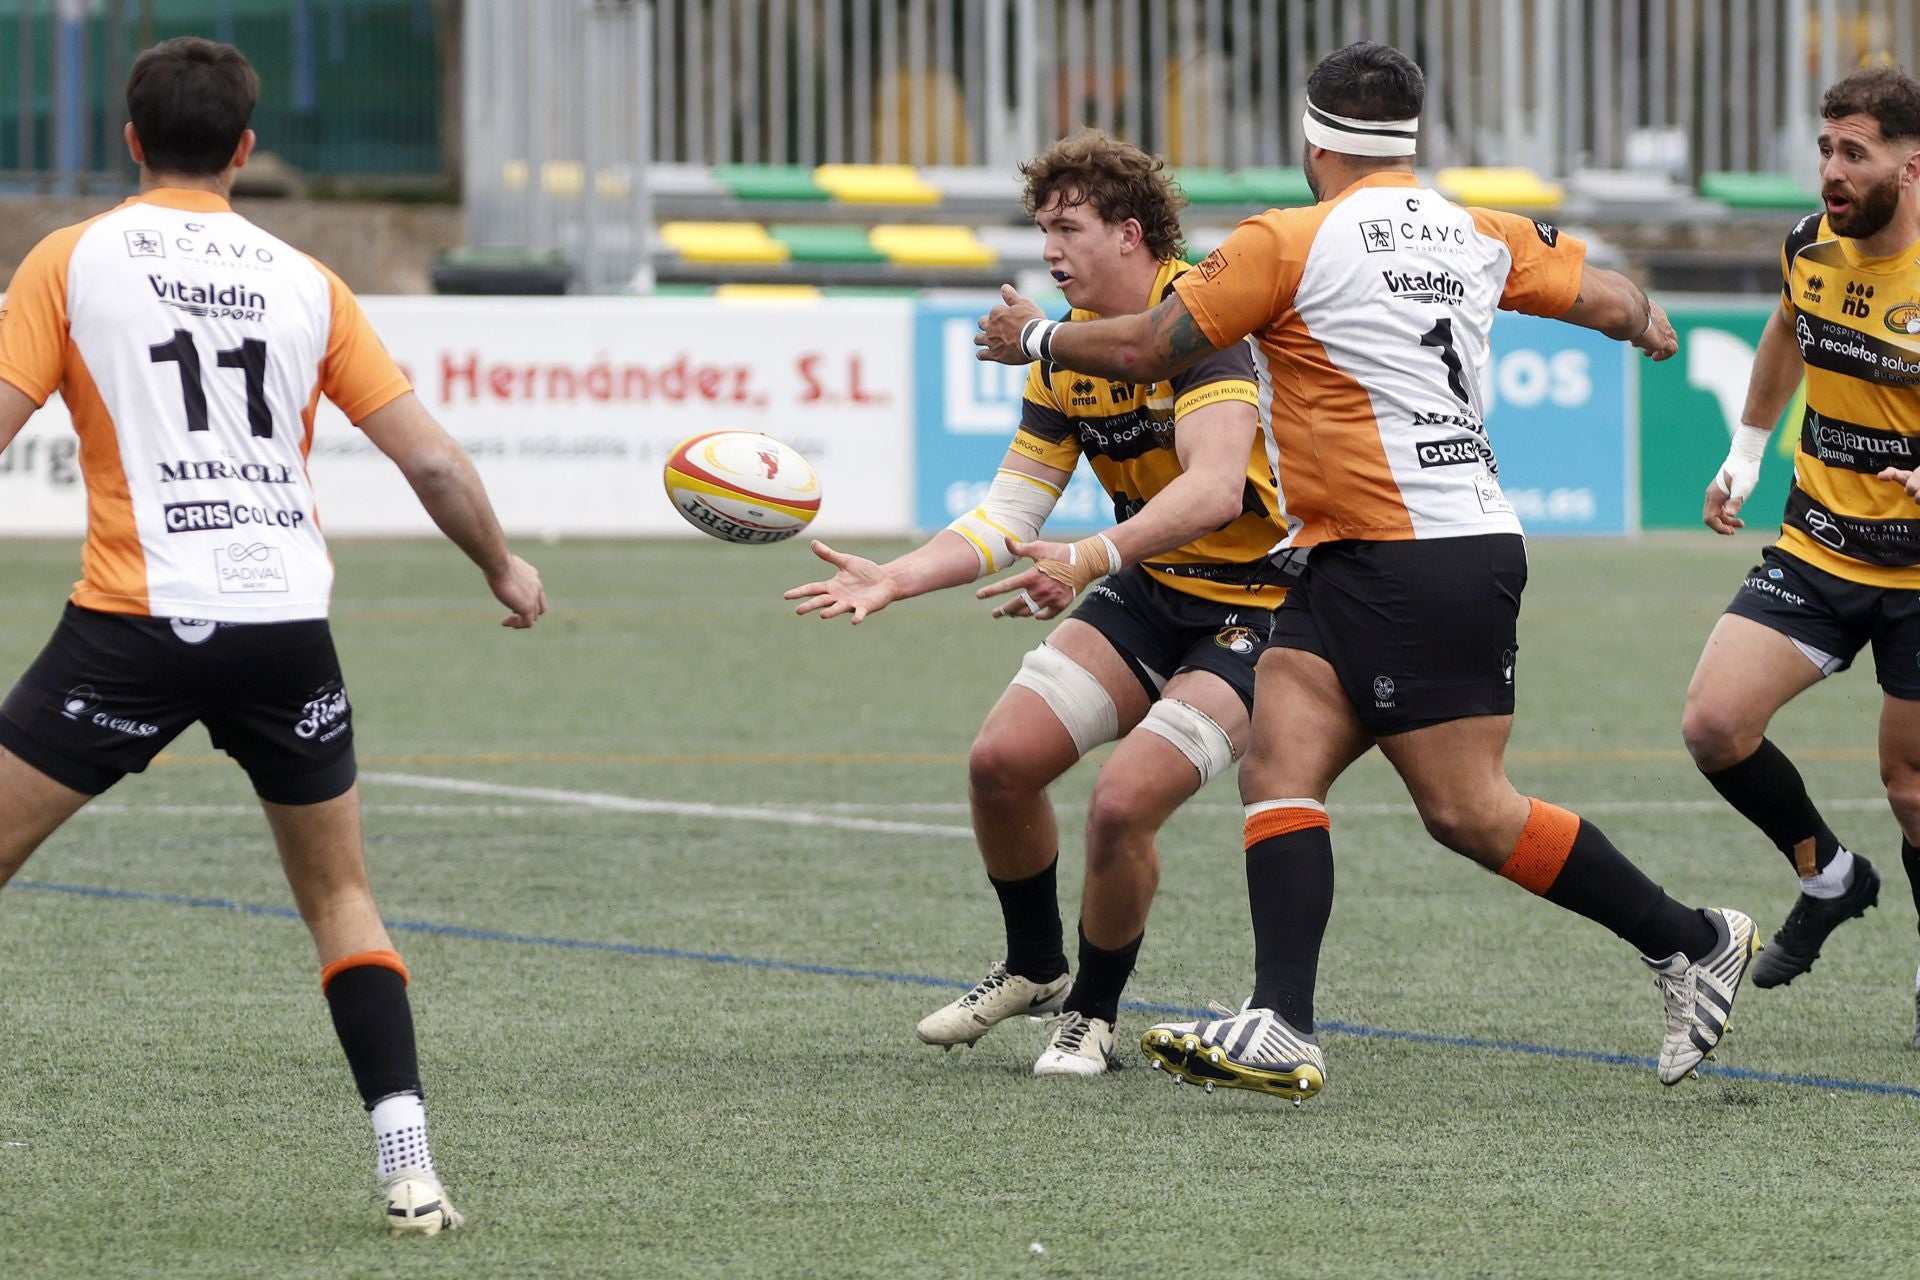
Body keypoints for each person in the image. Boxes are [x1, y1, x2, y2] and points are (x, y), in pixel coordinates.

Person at [977, 41, 1756, 1101]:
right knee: (1279, 764)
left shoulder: (1286, 239)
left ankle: (1692, 937)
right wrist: (1646, 322)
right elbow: (1610, 295)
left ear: (1312, 139)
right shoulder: (1476, 228)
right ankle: (1282, 1020)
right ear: (1409, 136)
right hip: (1369, 549)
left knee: (1470, 810)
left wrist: (1036, 340)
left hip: (1415, 552)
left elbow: (1153, 343)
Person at [0, 38, 545, 1231]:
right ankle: (411, 1164)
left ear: (130, 140)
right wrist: (502, 565)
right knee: (343, 898)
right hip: (285, 626)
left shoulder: (71, 257)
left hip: (135, 623)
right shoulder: (304, 279)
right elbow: (433, 460)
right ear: (247, 149)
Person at [787, 129, 1281, 1077]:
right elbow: (1011, 510)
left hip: (1265, 611)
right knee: (1001, 762)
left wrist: (1092, 554)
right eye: (1042, 229)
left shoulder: (1203, 318)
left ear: (1130, 233)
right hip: (1152, 591)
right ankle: (1035, 966)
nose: (1049, 251)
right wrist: (896, 577)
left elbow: (1216, 490)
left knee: (1122, 804)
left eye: (1068, 228)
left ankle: (1091, 1014)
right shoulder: (1066, 354)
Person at [1682, 66, 1920, 1037]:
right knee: (1713, 723)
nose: (1830, 170)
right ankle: (1829, 874)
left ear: (1911, 165)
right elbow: (1787, 328)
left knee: (1910, 788)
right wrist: (1743, 454)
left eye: (1852, 153)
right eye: (1825, 148)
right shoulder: (1809, 246)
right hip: (1818, 547)